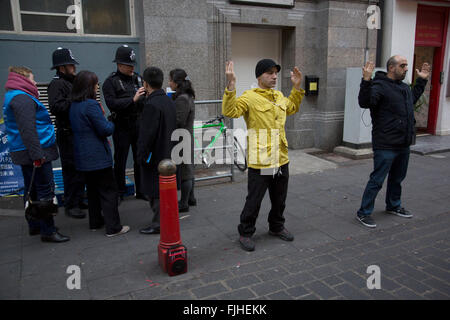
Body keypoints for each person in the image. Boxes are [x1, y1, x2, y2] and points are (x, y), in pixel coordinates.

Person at [222, 59, 304, 251]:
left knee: (279, 198)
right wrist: (231, 85)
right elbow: (229, 111)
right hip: (261, 160)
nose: (274, 76)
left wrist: (297, 88)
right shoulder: (249, 97)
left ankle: (276, 226)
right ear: (259, 76)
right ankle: (246, 232)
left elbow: (292, 107)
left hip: (281, 158)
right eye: (269, 73)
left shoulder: (278, 96)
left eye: (275, 72)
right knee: (255, 199)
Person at [356, 56, 430, 228]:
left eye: (406, 66)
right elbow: (364, 102)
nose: (406, 69)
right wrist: (366, 80)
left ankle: (393, 205)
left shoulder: (404, 87)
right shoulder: (379, 85)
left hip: (403, 143)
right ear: (391, 68)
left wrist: (421, 81)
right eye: (402, 66)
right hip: (386, 143)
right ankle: (363, 212)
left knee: (397, 178)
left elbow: (411, 101)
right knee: (377, 180)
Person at [3, 66, 70, 243]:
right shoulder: (22, 99)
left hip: (28, 150)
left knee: (31, 188)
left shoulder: (14, 96)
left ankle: (35, 224)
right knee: (44, 190)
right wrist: (37, 155)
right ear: (23, 79)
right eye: (32, 78)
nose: (34, 82)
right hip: (35, 151)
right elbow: (28, 130)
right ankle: (48, 230)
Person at [69, 70, 130, 237]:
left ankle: (95, 222)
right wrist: (111, 121)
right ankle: (114, 227)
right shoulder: (91, 105)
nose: (97, 87)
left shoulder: (74, 105)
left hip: (83, 157)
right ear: (89, 87)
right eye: (96, 84)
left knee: (93, 191)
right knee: (109, 191)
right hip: (97, 157)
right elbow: (104, 130)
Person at [102, 45, 147, 204]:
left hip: (138, 122)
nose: (132, 68)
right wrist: (132, 100)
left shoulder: (138, 78)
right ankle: (119, 191)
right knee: (120, 159)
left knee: (139, 158)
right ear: (119, 65)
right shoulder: (111, 82)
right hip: (121, 124)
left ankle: (141, 190)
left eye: (133, 65)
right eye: (128, 65)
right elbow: (112, 103)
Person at [137, 67, 177, 235]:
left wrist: (141, 156)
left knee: (155, 191)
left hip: (155, 155)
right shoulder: (169, 101)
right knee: (165, 191)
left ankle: (158, 223)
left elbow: (147, 135)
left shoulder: (151, 104)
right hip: (169, 151)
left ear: (145, 84)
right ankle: (164, 220)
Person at [48, 47, 86, 219]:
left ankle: (78, 198)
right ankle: (71, 204)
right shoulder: (57, 84)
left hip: (77, 132)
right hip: (67, 133)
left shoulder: (71, 82)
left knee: (80, 168)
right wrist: (75, 99)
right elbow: (56, 107)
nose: (74, 68)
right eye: (71, 65)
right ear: (62, 67)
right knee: (71, 170)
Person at [169, 68, 197, 212]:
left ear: (177, 83)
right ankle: (191, 198)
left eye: (171, 80)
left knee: (186, 171)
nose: (169, 83)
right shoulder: (188, 96)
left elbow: (179, 120)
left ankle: (184, 202)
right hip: (187, 136)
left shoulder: (182, 99)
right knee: (189, 169)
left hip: (182, 137)